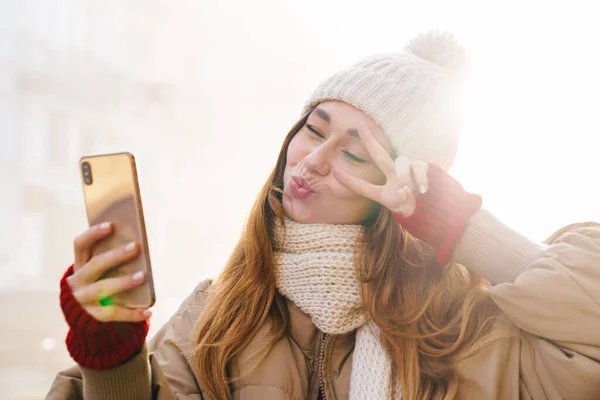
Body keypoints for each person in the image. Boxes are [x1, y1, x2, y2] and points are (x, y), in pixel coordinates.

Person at [46, 31, 600, 400]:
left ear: (401, 187)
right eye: (314, 128)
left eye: (355, 153)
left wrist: (462, 228)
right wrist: (112, 356)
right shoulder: (215, 320)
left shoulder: (471, 333)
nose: (313, 160)